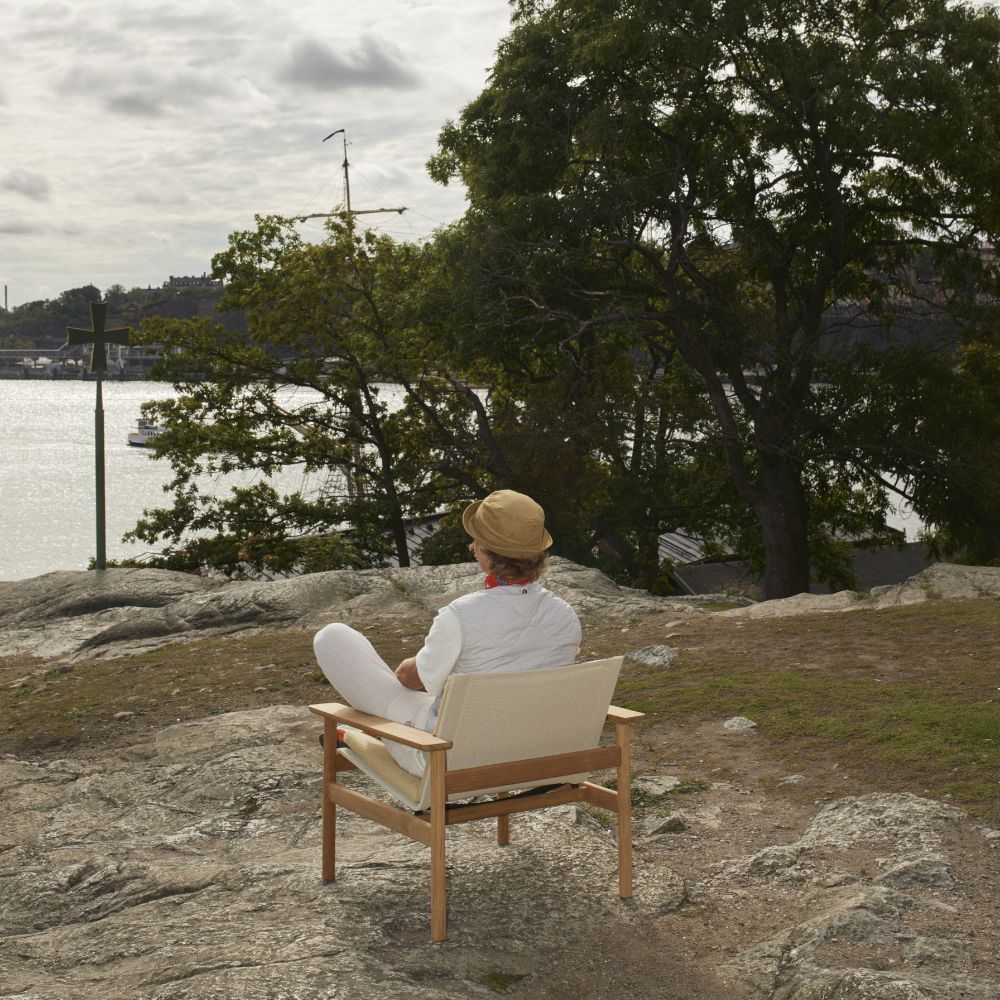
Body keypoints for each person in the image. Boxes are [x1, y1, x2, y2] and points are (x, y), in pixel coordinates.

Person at [313, 490, 582, 775]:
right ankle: (374, 732)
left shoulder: (461, 616)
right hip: (534, 752)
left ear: (486, 552)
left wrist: (412, 668)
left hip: (446, 758)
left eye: (476, 541)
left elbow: (411, 679)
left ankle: (365, 735)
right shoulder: (565, 615)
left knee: (332, 638)